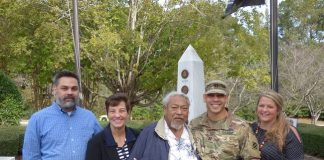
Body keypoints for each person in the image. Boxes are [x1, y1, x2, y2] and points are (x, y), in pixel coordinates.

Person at [23, 70, 102, 160]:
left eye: (74, 88)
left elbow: (102, 147)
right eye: (64, 88)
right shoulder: (38, 119)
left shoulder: (89, 117)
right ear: (55, 89)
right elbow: (31, 156)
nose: (70, 92)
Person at [190, 80, 261, 160]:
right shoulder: (194, 125)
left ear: (226, 98)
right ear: (204, 98)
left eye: (220, 95)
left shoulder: (241, 126)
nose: (215, 99)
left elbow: (253, 157)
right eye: (211, 95)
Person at [129, 91, 199, 160]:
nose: (179, 112)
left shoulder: (194, 134)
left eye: (184, 108)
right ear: (165, 109)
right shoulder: (149, 133)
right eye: (174, 107)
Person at [251, 90, 303, 160]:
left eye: (270, 107)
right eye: (261, 105)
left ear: (278, 110)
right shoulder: (251, 128)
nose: (264, 110)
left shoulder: (288, 132)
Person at [85, 93, 139, 160]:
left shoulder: (138, 137)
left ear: (128, 113)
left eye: (121, 111)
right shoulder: (95, 143)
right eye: (112, 111)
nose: (117, 115)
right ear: (107, 114)